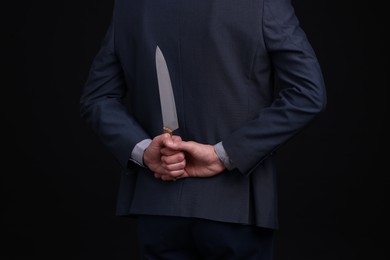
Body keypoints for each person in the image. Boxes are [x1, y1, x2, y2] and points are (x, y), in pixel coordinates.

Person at [80, 0, 326, 259]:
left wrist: (143, 152)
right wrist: (225, 154)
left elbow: (97, 98)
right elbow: (308, 95)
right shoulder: (263, 4)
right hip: (235, 207)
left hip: (159, 206)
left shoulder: (131, 6)